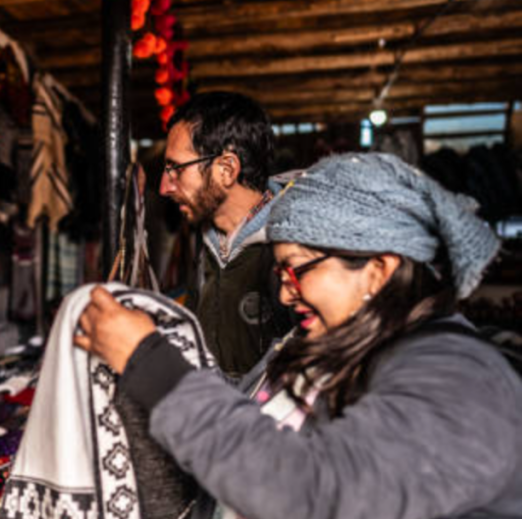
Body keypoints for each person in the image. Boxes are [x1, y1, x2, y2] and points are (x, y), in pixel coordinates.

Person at [76, 153, 522, 518]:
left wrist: (151, 363)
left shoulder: (458, 380)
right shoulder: (343, 353)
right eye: (280, 273)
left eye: (297, 269)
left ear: (377, 270)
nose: (286, 294)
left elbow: (314, 490)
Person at [158, 91, 290, 380]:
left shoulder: (294, 247)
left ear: (227, 169)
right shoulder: (203, 240)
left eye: (175, 169)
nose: (164, 187)